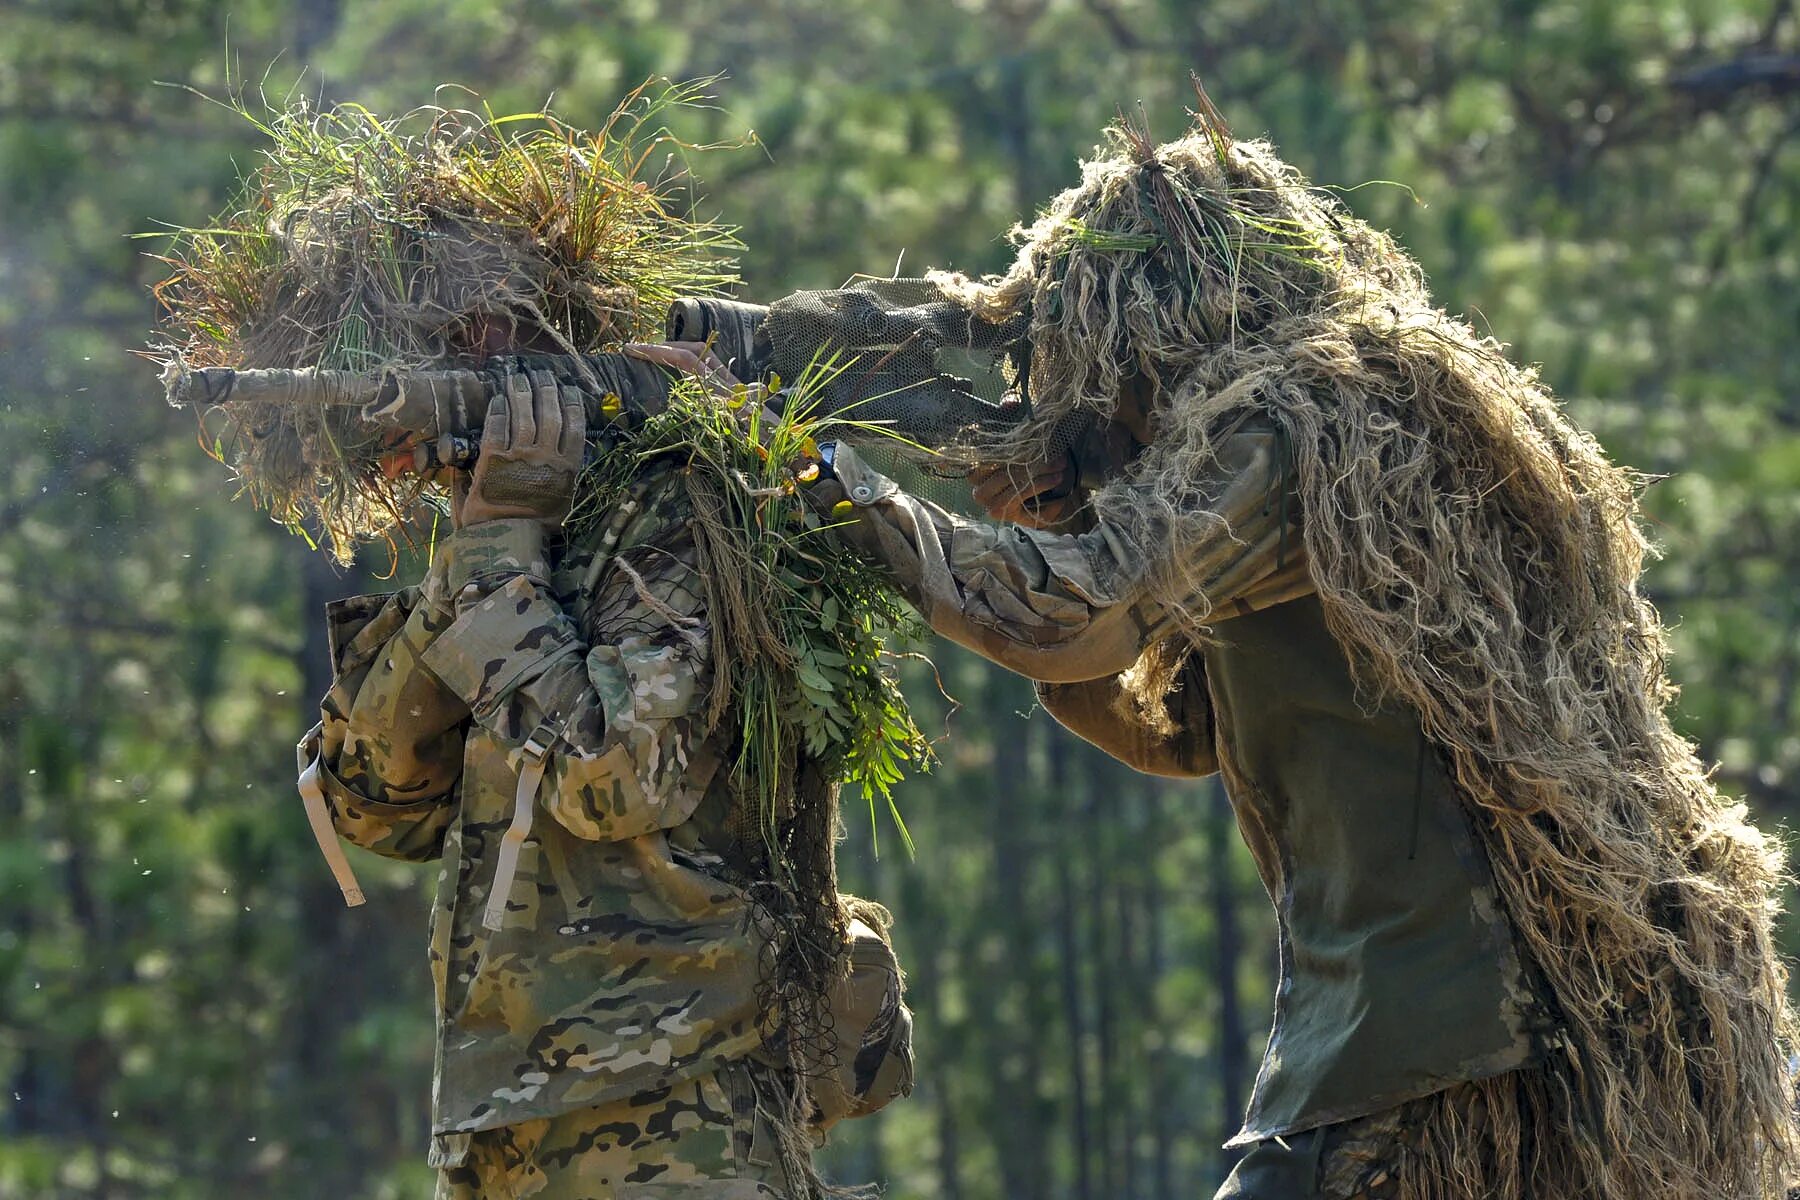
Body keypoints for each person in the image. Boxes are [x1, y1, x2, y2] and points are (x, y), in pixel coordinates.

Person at [754, 115, 1798, 1199]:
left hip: (1465, 1043)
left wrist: (822, 483)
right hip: (1507, 1028)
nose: (1091, 409)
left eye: (1089, 367)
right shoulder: (1366, 424)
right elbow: (1184, 729)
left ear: (1150, 325)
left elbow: (1068, 617)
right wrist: (1061, 530)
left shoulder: (1297, 422)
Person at [300, 350, 910, 1200]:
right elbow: (371, 808)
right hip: (500, 1122)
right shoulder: (513, 536)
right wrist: (480, 554)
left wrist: (495, 565)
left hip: (668, 1113)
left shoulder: (678, 513)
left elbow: (610, 777)